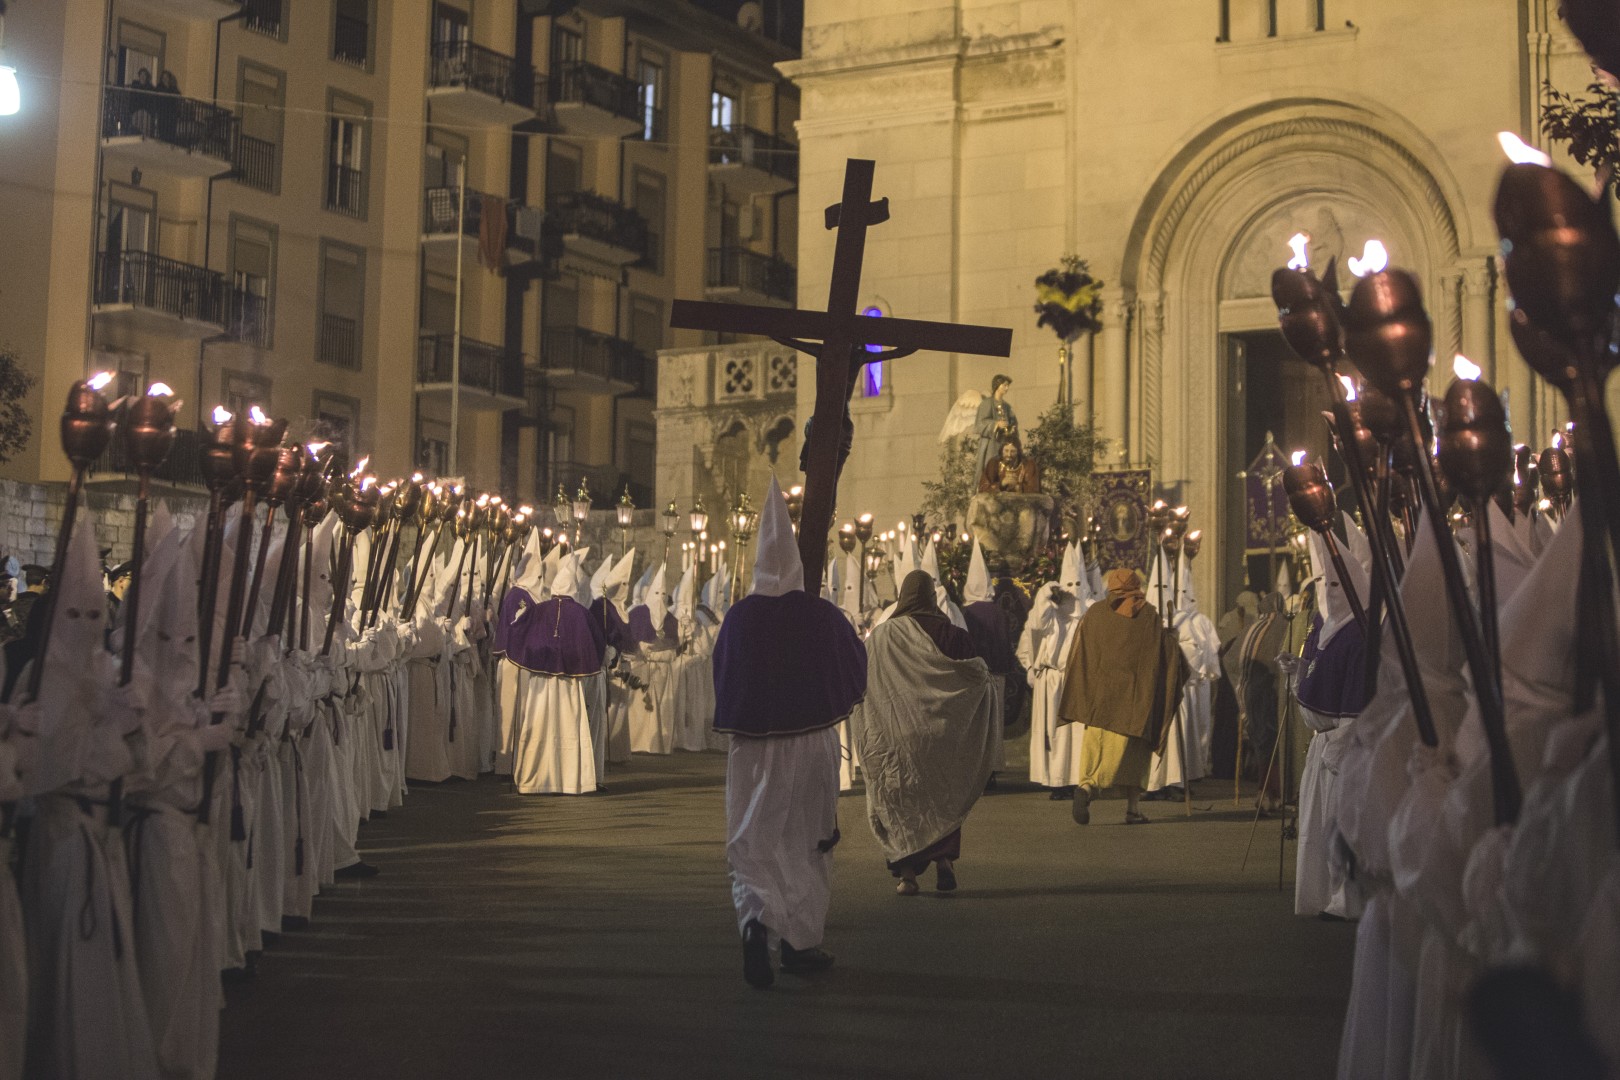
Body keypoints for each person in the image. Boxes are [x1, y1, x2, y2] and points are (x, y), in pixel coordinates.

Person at [712, 476, 866, 990]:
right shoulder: (820, 615)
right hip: (812, 743)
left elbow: (722, 677)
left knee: (752, 839)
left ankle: (755, 922)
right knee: (807, 840)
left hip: (753, 744)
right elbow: (854, 666)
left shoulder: (738, 618)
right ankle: (801, 943)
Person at [851, 569, 997, 896]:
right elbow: (977, 675)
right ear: (932, 597)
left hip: (895, 736)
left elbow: (864, 681)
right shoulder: (953, 635)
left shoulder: (882, 636)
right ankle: (944, 863)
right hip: (942, 736)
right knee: (941, 796)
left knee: (901, 798)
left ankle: (907, 875)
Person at [1058, 568, 1188, 825]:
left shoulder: (1094, 613)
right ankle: (1128, 805)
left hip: (1099, 698)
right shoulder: (1148, 615)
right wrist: (1172, 640)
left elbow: (1083, 651)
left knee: (1095, 747)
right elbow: (1160, 654)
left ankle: (1086, 785)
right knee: (1133, 756)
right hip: (1133, 702)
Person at [974, 374, 1018, 480]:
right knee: (990, 470)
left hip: (1004, 444)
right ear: (997, 385)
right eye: (1005, 385)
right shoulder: (987, 404)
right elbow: (979, 425)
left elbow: (1013, 423)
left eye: (1008, 386)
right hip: (991, 444)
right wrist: (996, 424)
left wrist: (1011, 428)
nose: (1007, 388)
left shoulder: (1007, 406)